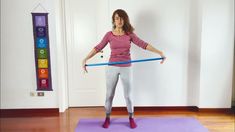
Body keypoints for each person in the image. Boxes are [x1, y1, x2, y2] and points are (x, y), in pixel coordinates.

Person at [82, 9, 166, 129]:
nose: (119, 20)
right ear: (114, 20)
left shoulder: (129, 34)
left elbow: (143, 44)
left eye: (121, 18)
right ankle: (107, 117)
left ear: (124, 19)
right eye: (117, 18)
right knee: (109, 94)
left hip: (126, 66)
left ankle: (131, 117)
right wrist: (85, 59)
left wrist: (160, 52)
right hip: (112, 67)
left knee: (128, 96)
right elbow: (98, 47)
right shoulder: (109, 35)